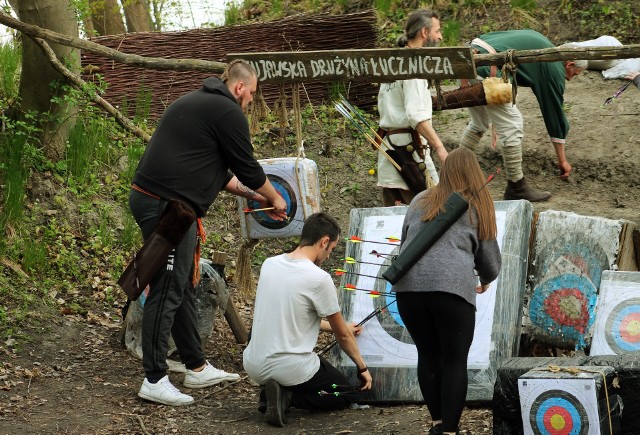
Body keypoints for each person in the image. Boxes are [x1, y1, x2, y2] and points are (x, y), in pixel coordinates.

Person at [129, 59, 288, 406]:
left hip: (161, 201)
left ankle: (196, 367)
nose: (250, 104)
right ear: (240, 87)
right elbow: (247, 167)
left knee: (180, 283)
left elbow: (226, 175)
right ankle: (153, 378)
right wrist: (275, 197)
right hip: (165, 206)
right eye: (252, 96)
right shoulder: (226, 111)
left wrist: (257, 195)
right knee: (168, 287)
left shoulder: (199, 103)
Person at [391, 148, 502, 435]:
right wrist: (486, 278)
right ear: (474, 172)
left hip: (408, 290)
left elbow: (406, 244)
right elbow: (490, 262)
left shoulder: (419, 200)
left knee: (427, 354)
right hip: (451, 290)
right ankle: (449, 432)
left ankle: (438, 423)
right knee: (454, 360)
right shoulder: (476, 204)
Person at [243, 212, 373, 427]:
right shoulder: (319, 278)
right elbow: (343, 335)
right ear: (324, 241)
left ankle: (270, 393)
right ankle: (288, 396)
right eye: (331, 249)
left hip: (254, 363)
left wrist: (334, 328)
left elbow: (295, 315)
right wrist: (362, 368)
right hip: (291, 368)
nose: (329, 255)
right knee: (344, 393)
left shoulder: (269, 264)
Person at [459, 29, 587, 201]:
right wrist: (562, 160)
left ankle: (453, 174)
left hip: (468, 60)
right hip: (485, 68)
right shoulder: (554, 67)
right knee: (512, 124)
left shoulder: (542, 43)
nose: (570, 79)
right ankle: (517, 188)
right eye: (574, 75)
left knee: (479, 123)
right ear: (570, 64)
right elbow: (554, 113)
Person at [377, 9, 448, 207]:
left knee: (396, 222)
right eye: (437, 31)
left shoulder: (394, 62)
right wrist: (440, 147)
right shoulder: (412, 67)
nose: (440, 36)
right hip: (409, 153)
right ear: (424, 32)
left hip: (390, 151)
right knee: (434, 209)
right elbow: (416, 116)